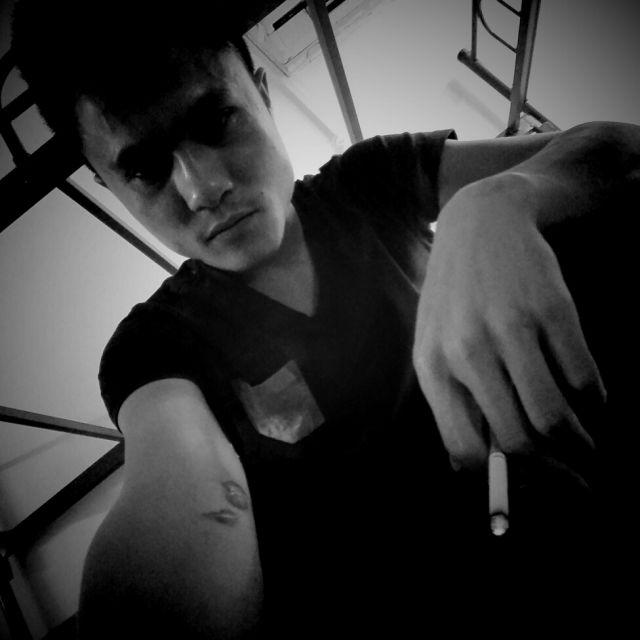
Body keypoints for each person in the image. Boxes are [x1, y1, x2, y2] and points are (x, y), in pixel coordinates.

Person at [11, 0, 639, 637]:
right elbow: (188, 490)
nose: (203, 189)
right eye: (145, 169)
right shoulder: (157, 345)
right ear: (109, 185)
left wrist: (498, 201)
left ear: (262, 95)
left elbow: (619, 150)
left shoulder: (367, 182)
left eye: (216, 120)